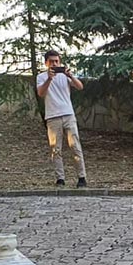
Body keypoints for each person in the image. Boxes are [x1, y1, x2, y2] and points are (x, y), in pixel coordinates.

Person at [35, 50, 87, 188]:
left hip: (68, 114)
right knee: (55, 149)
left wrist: (70, 75)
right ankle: (60, 178)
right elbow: (41, 93)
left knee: (75, 146)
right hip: (52, 117)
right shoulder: (41, 77)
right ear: (46, 63)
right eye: (51, 61)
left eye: (57, 61)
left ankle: (81, 177)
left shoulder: (65, 75)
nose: (55, 64)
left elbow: (80, 87)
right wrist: (49, 78)